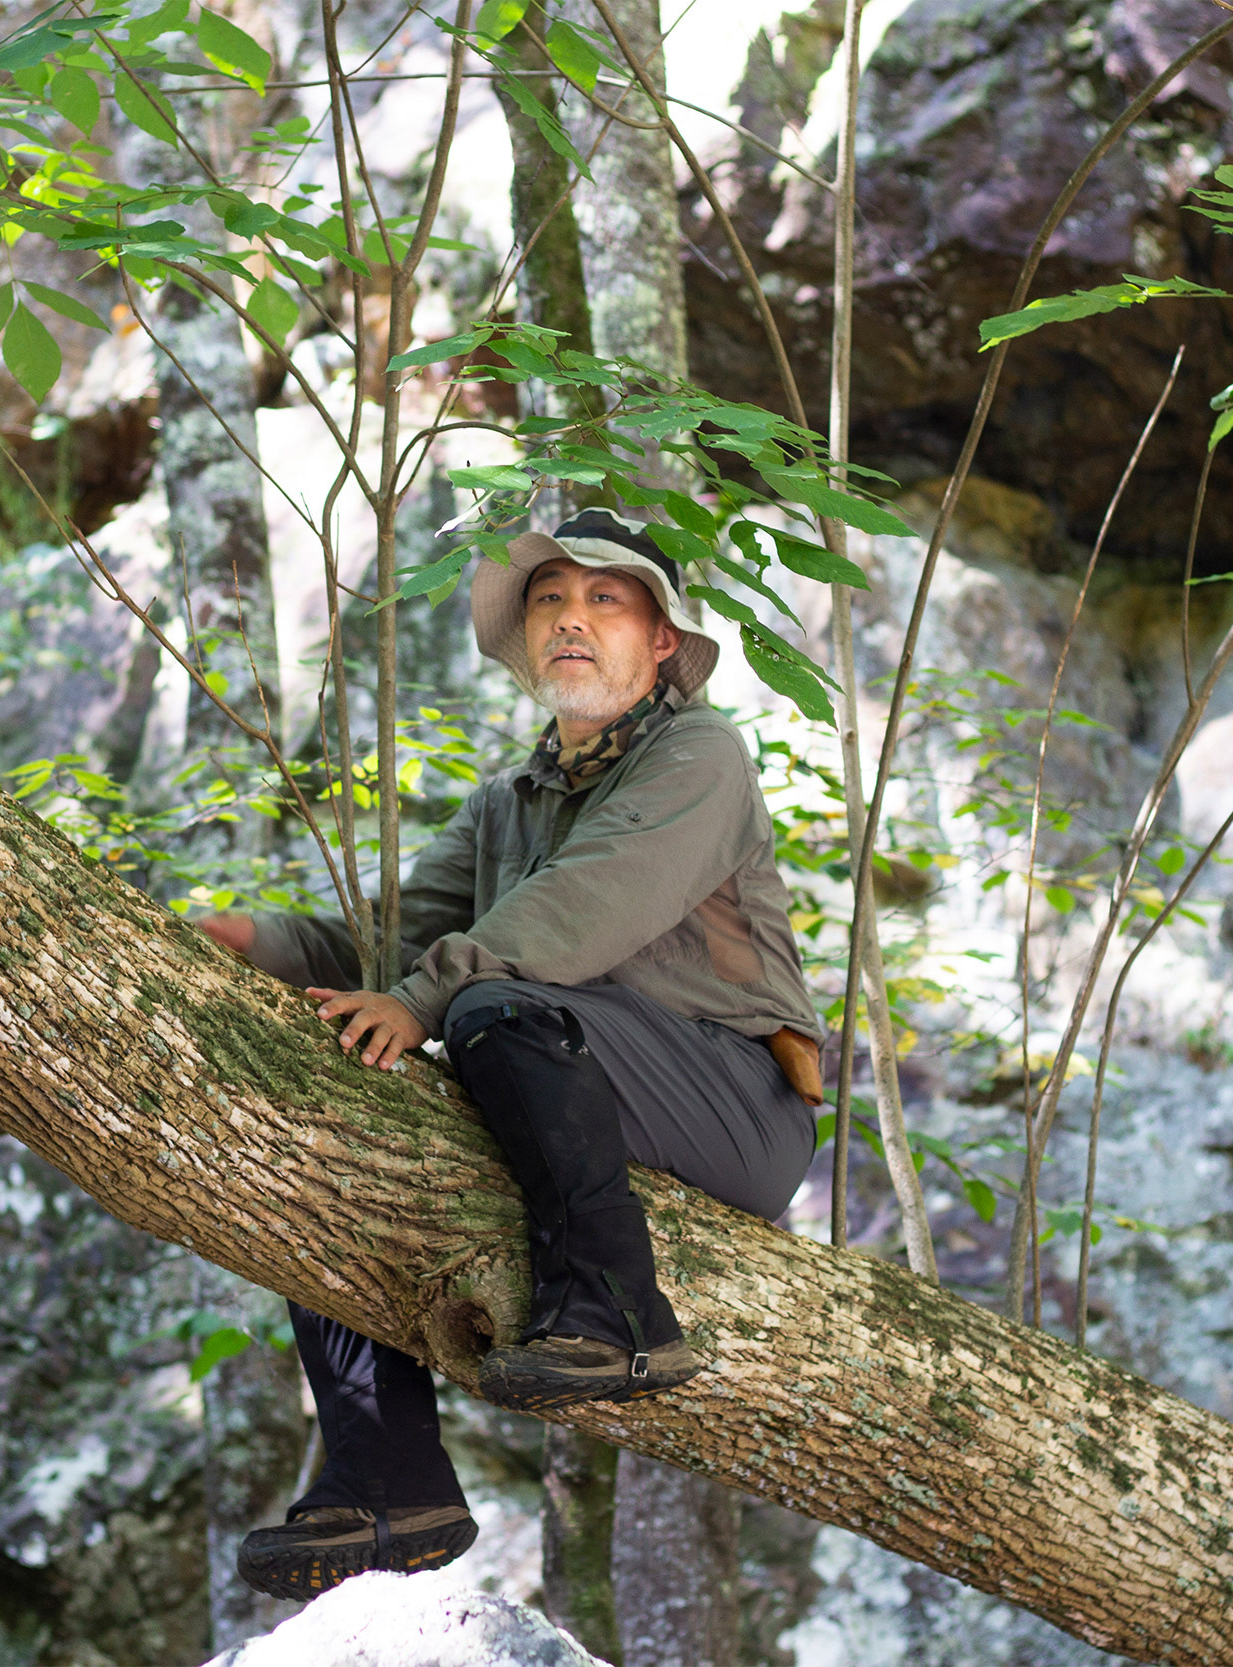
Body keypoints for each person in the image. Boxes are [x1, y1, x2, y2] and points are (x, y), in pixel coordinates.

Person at [196, 505, 826, 1601]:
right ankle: (389, 1473)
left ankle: (621, 1318)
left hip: (733, 1099)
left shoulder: (701, 753)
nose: (569, 620)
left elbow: (580, 912)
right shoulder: (508, 802)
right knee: (350, 1080)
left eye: (604, 599)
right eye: (549, 599)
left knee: (488, 1001)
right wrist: (241, 942)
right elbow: (381, 938)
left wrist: (426, 995)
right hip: (570, 1069)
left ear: (661, 640)